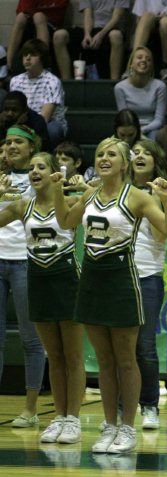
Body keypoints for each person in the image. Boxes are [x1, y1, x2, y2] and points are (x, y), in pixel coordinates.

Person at [53, 137, 167, 454]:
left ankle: (127, 427)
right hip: (92, 280)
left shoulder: (137, 197)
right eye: (99, 154)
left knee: (126, 359)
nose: (104, 158)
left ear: (125, 163)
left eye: (112, 154)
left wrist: (165, 199)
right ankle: (109, 425)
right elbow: (65, 222)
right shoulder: (91, 193)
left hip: (124, 278)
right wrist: (57, 190)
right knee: (104, 361)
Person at [0, 152, 83, 443]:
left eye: (41, 167)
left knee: (73, 356)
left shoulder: (71, 202)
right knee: (55, 356)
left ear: (53, 172)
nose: (34, 171)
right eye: (31, 167)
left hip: (67, 281)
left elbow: (98, 200)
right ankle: (59, 416)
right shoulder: (22, 206)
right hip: (37, 281)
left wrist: (79, 186)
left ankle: (74, 418)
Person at [127, 139, 167, 429]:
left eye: (147, 151)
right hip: (119, 274)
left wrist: (161, 198)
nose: (140, 156)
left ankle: (149, 406)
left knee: (144, 345)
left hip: (147, 274)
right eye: (136, 152)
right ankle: (122, 407)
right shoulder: (117, 188)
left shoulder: (162, 190)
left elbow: (166, 235)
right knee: (120, 347)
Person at [0, 125, 47, 429]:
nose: (12, 146)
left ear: (32, 147)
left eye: (19, 142)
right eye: (8, 142)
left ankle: (30, 409)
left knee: (32, 339)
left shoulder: (39, 175)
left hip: (25, 261)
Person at [9, 39, 67, 149]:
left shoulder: (52, 81)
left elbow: (44, 118)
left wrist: (25, 129)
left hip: (47, 124)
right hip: (21, 121)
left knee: (53, 130)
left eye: (33, 55)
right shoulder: (15, 81)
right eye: (25, 55)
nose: (27, 58)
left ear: (42, 59)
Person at [53, 0, 129, 80]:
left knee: (116, 36)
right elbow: (88, 16)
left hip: (109, 29)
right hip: (90, 28)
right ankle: (67, 83)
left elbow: (116, 18)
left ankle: (114, 82)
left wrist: (101, 35)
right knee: (59, 35)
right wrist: (87, 34)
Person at [114, 46, 167, 139]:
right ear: (131, 64)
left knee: (153, 139)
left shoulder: (160, 86)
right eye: (139, 57)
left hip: (153, 129)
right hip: (129, 129)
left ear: (151, 66)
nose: (144, 60)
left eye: (148, 59)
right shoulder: (120, 88)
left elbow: (159, 120)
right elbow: (124, 118)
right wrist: (134, 132)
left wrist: (142, 130)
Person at [7, 0, 68, 73]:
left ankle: (43, 62)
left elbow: (57, 13)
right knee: (20, 17)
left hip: (51, 26)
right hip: (29, 26)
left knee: (39, 16)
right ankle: (8, 64)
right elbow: (24, 10)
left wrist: (35, 11)